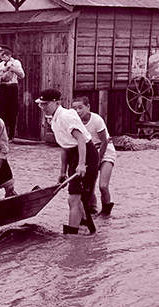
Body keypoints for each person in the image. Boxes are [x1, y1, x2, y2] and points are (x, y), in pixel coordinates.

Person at [36, 89, 99, 235]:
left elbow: (81, 139)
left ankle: (72, 235)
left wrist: (82, 164)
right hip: (73, 154)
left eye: (46, 104)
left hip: (85, 153)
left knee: (74, 197)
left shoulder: (65, 116)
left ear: (56, 103)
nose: (43, 107)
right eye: (41, 104)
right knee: (79, 196)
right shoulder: (53, 119)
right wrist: (62, 172)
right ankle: (84, 227)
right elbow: (64, 146)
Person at [71, 96, 116, 215]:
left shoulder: (96, 120)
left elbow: (104, 141)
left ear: (88, 107)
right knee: (89, 187)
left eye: (80, 108)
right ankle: (92, 210)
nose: (78, 111)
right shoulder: (74, 122)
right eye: (75, 108)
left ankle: (106, 211)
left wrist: (98, 161)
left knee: (103, 186)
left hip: (105, 151)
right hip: (90, 152)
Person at [0, 45, 25, 141]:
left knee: (13, 110)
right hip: (3, 88)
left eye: (3, 54)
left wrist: (14, 69)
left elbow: (22, 75)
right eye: (0, 54)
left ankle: (11, 135)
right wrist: (4, 74)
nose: (1, 56)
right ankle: (2, 134)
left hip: (13, 87)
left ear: (9, 54)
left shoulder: (16, 63)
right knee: (2, 110)